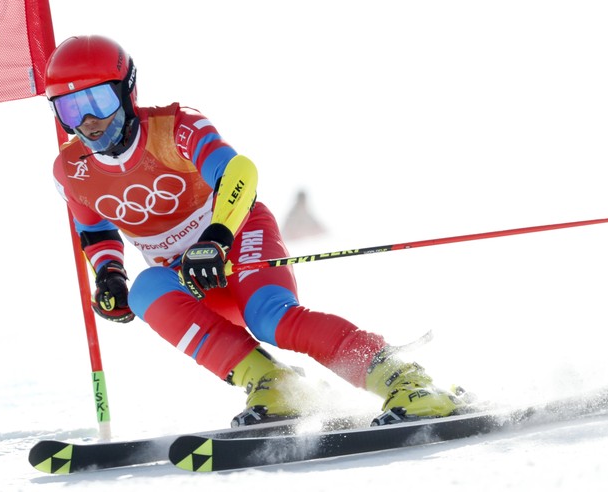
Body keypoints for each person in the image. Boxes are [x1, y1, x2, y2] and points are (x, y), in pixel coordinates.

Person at [45, 35, 467, 426]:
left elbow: (239, 173)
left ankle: (405, 380)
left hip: (236, 236)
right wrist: (110, 275)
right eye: (69, 108)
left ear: (125, 92)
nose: (87, 120)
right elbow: (95, 226)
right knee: (145, 290)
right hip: (190, 274)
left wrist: (215, 239)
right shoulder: (71, 170)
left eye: (98, 100)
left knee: (269, 318)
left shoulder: (174, 128)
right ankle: (278, 387)